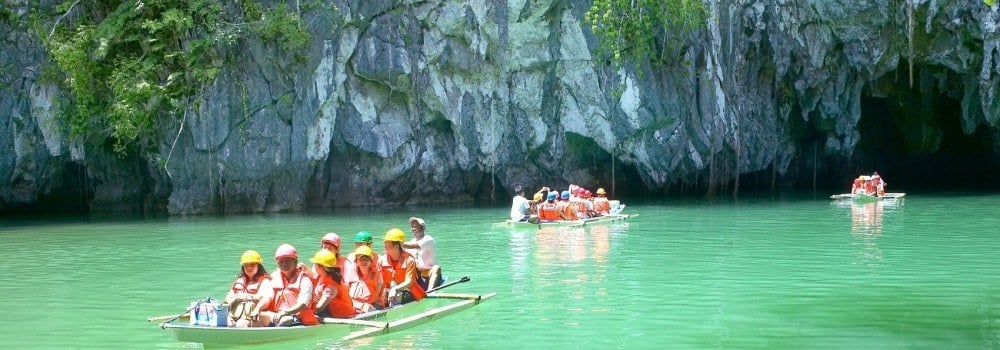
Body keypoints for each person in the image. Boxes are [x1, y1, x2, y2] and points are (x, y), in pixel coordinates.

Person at [256, 244, 319, 327]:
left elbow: (303, 304)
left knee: (285, 320)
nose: (284, 264)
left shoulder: (304, 280)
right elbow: (266, 296)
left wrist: (285, 312)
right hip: (276, 315)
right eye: (281, 261)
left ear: (295, 261)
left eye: (287, 260)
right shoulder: (274, 277)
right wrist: (256, 309)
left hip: (297, 317)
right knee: (253, 317)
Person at [225, 250, 271, 327]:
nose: (249, 268)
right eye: (246, 265)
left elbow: (266, 298)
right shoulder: (239, 281)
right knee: (226, 322)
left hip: (253, 317)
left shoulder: (265, 281)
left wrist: (247, 297)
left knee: (241, 324)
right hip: (235, 315)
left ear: (258, 266)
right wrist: (236, 298)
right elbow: (227, 300)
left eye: (252, 264)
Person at [380, 228, 427, 306]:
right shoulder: (382, 260)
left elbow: (409, 281)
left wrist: (395, 289)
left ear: (396, 247)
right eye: (385, 244)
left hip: (408, 291)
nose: (384, 247)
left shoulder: (409, 260)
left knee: (397, 296)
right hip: (389, 290)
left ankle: (394, 313)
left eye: (387, 245)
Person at [308, 249, 356, 319]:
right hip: (330, 311)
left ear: (321, 266)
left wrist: (303, 312)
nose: (314, 266)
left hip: (344, 315)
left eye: (315, 264)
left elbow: (319, 308)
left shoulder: (331, 287)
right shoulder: (322, 276)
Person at [403, 217, 443, 290]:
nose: (413, 229)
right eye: (412, 227)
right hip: (419, 274)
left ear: (422, 228)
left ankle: (430, 291)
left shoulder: (428, 239)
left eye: (416, 226)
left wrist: (397, 243)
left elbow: (413, 246)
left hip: (429, 272)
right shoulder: (412, 240)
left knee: (436, 268)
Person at [346, 245, 384, 312]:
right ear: (356, 261)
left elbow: (377, 295)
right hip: (354, 305)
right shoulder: (350, 273)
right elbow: (346, 295)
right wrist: (360, 305)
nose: (364, 262)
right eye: (361, 259)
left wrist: (366, 306)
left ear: (371, 261)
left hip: (371, 306)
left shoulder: (377, 274)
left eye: (366, 259)